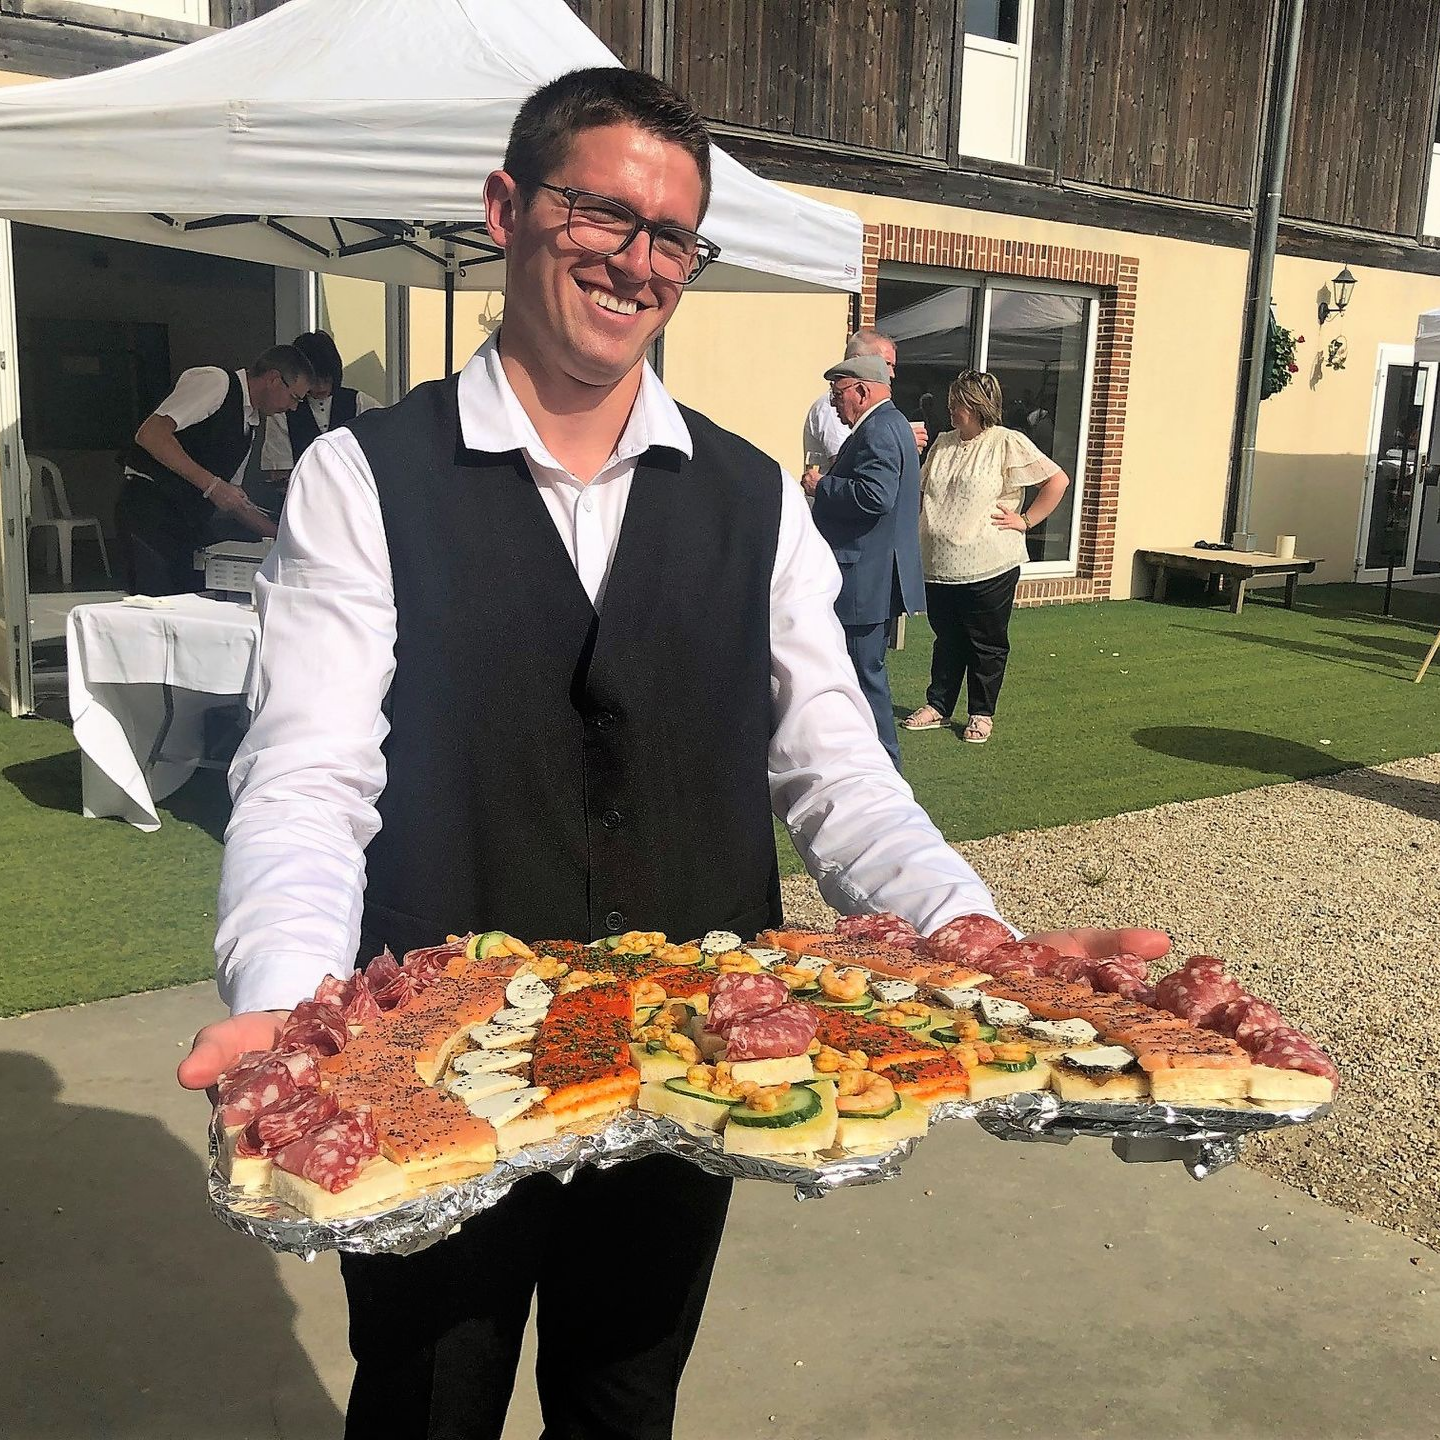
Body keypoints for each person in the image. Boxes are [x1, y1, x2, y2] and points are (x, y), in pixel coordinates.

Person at [177, 68, 1165, 1440]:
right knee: (423, 1399)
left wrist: (968, 930)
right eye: (602, 213)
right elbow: (307, 774)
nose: (638, 262)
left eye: (672, 237)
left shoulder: (755, 494)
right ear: (509, 209)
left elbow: (837, 764)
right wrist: (292, 1003)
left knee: (627, 1399)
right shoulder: (367, 478)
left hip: (692, 1051)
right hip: (427, 1050)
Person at [902, 369, 1070, 744]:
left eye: (958, 403)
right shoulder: (943, 443)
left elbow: (1056, 480)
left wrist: (1026, 520)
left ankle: (981, 713)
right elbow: (922, 490)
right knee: (946, 638)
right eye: (951, 402)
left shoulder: (1007, 442)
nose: (951, 409)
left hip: (990, 563)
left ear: (978, 407)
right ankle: (939, 705)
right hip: (940, 566)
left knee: (986, 642)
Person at [804, 354, 924, 770]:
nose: (835, 404)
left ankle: (885, 766)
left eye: (838, 394)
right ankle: (869, 759)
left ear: (862, 390)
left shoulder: (879, 429)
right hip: (870, 573)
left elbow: (876, 496)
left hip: (863, 576)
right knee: (861, 671)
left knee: (864, 675)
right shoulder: (889, 425)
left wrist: (824, 486)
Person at [116, 346, 314, 594]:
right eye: (295, 397)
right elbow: (150, 434)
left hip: (188, 522)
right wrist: (212, 485)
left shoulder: (250, 424)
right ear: (274, 379)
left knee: (191, 598)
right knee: (153, 604)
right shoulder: (216, 382)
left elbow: (234, 501)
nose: (294, 408)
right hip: (150, 509)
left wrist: (283, 537)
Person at [258, 330, 385, 492]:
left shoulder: (359, 402)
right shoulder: (283, 411)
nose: (321, 387)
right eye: (314, 381)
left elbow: (386, 445)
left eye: (326, 379)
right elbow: (279, 473)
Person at [800, 327, 925, 483]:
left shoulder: (880, 415)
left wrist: (898, 443)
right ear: (856, 360)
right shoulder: (834, 407)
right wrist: (897, 445)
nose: (891, 374)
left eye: (892, 366)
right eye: (886, 364)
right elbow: (843, 463)